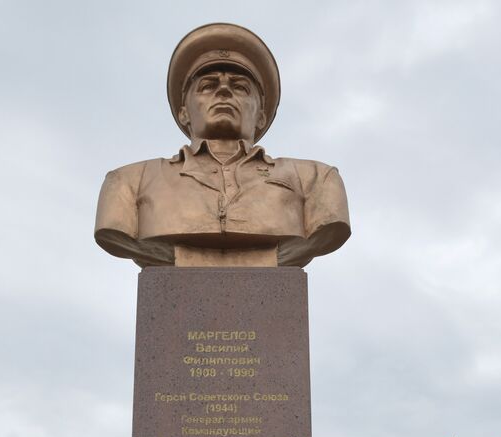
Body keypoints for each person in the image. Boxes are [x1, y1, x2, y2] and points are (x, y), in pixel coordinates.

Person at [94, 22, 350, 268]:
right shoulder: (129, 182)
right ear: (184, 112)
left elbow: (329, 229)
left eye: (240, 87)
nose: (224, 91)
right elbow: (115, 233)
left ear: (261, 115)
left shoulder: (315, 180)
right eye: (208, 85)